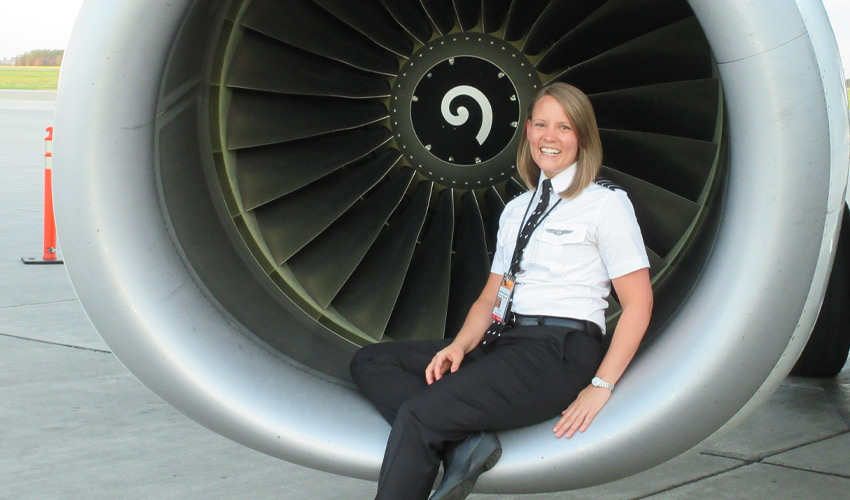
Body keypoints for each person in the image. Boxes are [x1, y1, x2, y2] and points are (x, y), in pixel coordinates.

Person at [350, 82, 653, 500]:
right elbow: (491, 297)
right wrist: (458, 346)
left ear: (582, 138)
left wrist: (601, 385)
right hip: (505, 341)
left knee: (420, 416)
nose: (550, 137)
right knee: (372, 361)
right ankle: (462, 443)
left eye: (564, 128)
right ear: (527, 130)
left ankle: (446, 431)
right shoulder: (517, 210)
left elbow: (638, 303)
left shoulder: (606, 204)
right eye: (542, 124)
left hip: (558, 351)